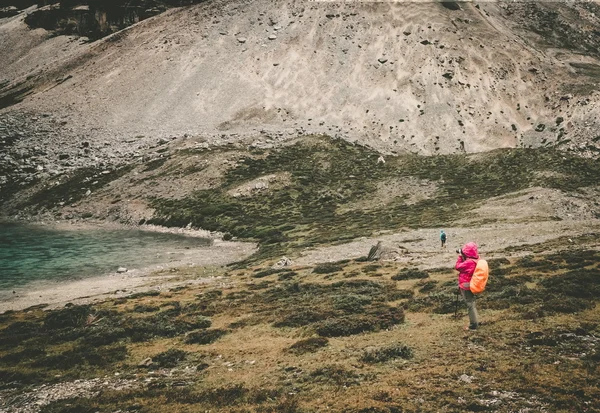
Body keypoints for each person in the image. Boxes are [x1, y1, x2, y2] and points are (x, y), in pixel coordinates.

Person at [455, 242, 479, 330]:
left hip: (466, 285)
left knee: (470, 304)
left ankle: (473, 325)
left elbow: (457, 267)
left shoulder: (469, 262)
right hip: (472, 284)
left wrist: (460, 256)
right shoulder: (476, 260)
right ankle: (475, 321)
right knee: (472, 303)